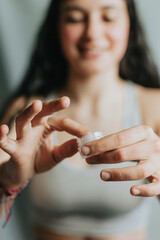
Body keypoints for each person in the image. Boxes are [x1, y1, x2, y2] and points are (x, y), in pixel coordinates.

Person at [0, 0, 160, 239]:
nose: (92, 33)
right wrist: (9, 179)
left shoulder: (155, 107)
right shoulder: (28, 114)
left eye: (108, 17)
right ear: (57, 27)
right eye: (75, 18)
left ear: (130, 24)